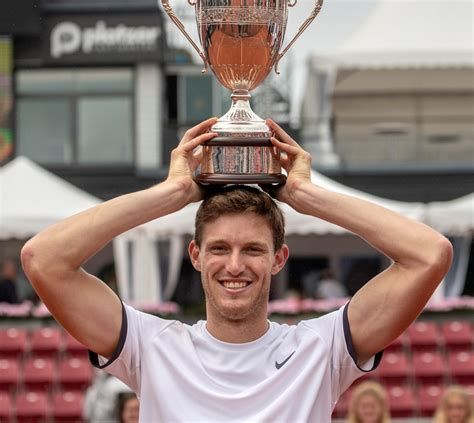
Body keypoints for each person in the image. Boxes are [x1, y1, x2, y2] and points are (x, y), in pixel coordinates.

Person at [20, 117, 453, 421]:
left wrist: (303, 194)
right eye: (220, 248)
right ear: (195, 255)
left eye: (252, 249)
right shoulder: (151, 347)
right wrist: (171, 193)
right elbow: (44, 259)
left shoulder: (321, 349)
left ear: (278, 259)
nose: (234, 265)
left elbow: (429, 254)